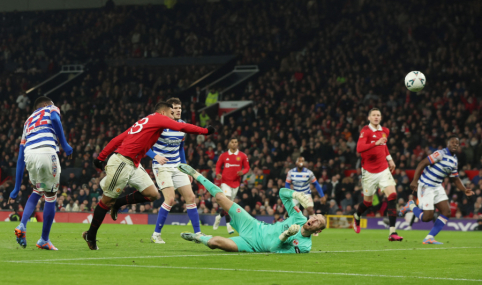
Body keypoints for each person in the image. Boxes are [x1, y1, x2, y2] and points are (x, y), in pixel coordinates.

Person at [83, 102, 214, 250]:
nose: (173, 117)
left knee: (152, 194)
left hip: (134, 164)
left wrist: (101, 157)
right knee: (106, 202)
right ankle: (91, 235)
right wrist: (205, 131)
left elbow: (118, 139)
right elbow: (181, 127)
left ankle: (119, 203)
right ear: (164, 113)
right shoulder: (159, 118)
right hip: (122, 162)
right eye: (172, 113)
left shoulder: (144, 122)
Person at [178, 164, 326, 253]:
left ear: (318, 231)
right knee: (221, 198)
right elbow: (282, 193)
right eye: (315, 217)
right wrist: (296, 194)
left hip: (252, 246)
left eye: (318, 222)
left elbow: (273, 250)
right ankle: (196, 174)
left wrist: (286, 234)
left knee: (213, 243)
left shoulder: (305, 246)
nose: (313, 219)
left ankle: (198, 237)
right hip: (254, 226)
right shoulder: (299, 217)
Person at [10, 96, 73, 250]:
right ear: (45, 104)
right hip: (46, 152)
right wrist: (64, 145)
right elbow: (55, 120)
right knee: (51, 196)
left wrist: (16, 187)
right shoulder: (51, 108)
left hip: (29, 156)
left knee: (37, 190)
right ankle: (44, 239)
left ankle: (22, 224)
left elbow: (20, 158)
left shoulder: (27, 122)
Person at [145, 98, 208, 244]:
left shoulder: (183, 126)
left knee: (191, 198)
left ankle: (198, 233)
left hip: (177, 165)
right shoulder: (159, 126)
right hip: (161, 166)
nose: (178, 110)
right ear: (168, 111)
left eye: (180, 107)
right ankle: (156, 234)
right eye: (175, 108)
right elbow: (144, 146)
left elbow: (180, 148)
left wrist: (185, 168)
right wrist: (155, 156)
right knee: (170, 199)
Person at [399, 136, 474, 244]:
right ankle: (410, 206)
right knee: (427, 218)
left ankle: (429, 237)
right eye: (452, 142)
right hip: (426, 185)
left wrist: (464, 190)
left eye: (457, 143)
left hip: (437, 186)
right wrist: (415, 180)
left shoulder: (454, 160)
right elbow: (422, 163)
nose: (455, 144)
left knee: (446, 212)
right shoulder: (440, 154)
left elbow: (455, 178)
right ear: (448, 144)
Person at [353, 108, 402, 241]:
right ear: (369, 118)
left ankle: (392, 232)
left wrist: (390, 159)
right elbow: (359, 148)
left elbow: (384, 146)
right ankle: (357, 216)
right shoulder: (365, 131)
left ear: (380, 117)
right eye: (373, 115)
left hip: (383, 169)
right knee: (367, 203)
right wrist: (375, 142)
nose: (376, 117)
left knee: (392, 195)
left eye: (378, 115)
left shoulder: (385, 131)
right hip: (369, 171)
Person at [213, 138, 250, 234]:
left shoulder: (242, 155)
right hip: (225, 182)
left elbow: (247, 167)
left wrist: (243, 172)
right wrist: (218, 173)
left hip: (236, 183)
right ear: (229, 143)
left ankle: (219, 217)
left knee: (229, 205)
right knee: (228, 201)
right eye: (232, 142)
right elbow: (218, 166)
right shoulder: (224, 155)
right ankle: (228, 225)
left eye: (236, 142)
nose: (234, 144)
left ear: (238, 144)